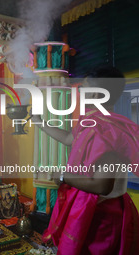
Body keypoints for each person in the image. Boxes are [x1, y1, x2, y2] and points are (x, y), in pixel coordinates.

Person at [31, 66, 139, 255]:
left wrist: (63, 176)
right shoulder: (95, 122)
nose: (79, 92)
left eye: (83, 88)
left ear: (96, 94)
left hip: (102, 215)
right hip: (91, 207)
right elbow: (68, 139)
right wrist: (40, 123)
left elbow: (101, 185)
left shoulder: (107, 131)